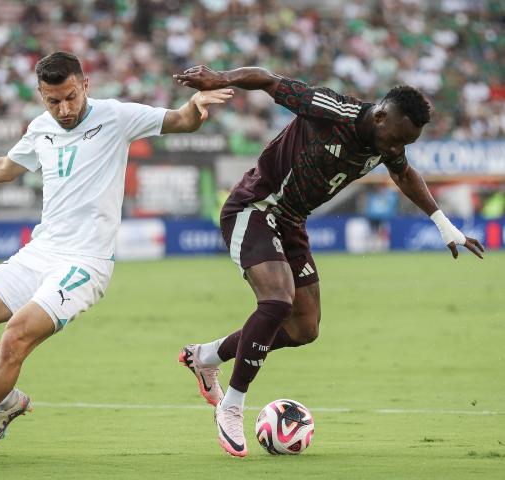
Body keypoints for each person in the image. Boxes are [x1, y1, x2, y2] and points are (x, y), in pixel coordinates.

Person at [0, 51, 233, 465]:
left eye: (71, 97)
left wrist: (195, 106)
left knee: (15, 336)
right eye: (52, 100)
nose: (63, 109)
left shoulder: (116, 116)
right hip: (40, 252)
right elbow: (7, 167)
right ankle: (5, 401)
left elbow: (180, 121)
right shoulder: (40, 128)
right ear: (41, 96)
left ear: (85, 86)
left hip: (86, 263)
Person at [173, 65, 485, 457]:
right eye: (396, 139)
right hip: (254, 207)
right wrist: (222, 77)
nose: (395, 149)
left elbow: (404, 174)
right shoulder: (331, 109)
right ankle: (231, 406)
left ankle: (205, 357)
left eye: (405, 143)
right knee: (277, 301)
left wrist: (443, 223)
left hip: (291, 221)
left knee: (305, 327)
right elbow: (269, 80)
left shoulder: (389, 142)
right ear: (381, 116)